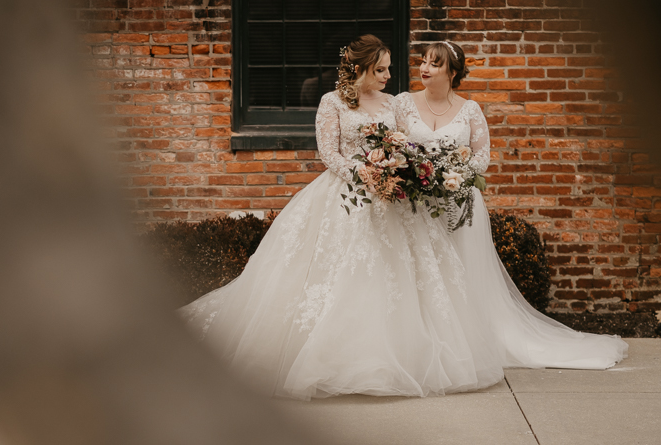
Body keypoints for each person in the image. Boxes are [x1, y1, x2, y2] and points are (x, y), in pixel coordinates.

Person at [180, 35, 627, 401]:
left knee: (396, 277)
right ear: (361, 68)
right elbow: (328, 154)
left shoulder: (394, 103)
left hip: (394, 198)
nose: (392, 76)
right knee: (334, 273)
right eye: (383, 69)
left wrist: (400, 170)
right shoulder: (331, 102)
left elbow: (408, 145)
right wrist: (366, 172)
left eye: (392, 69)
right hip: (347, 194)